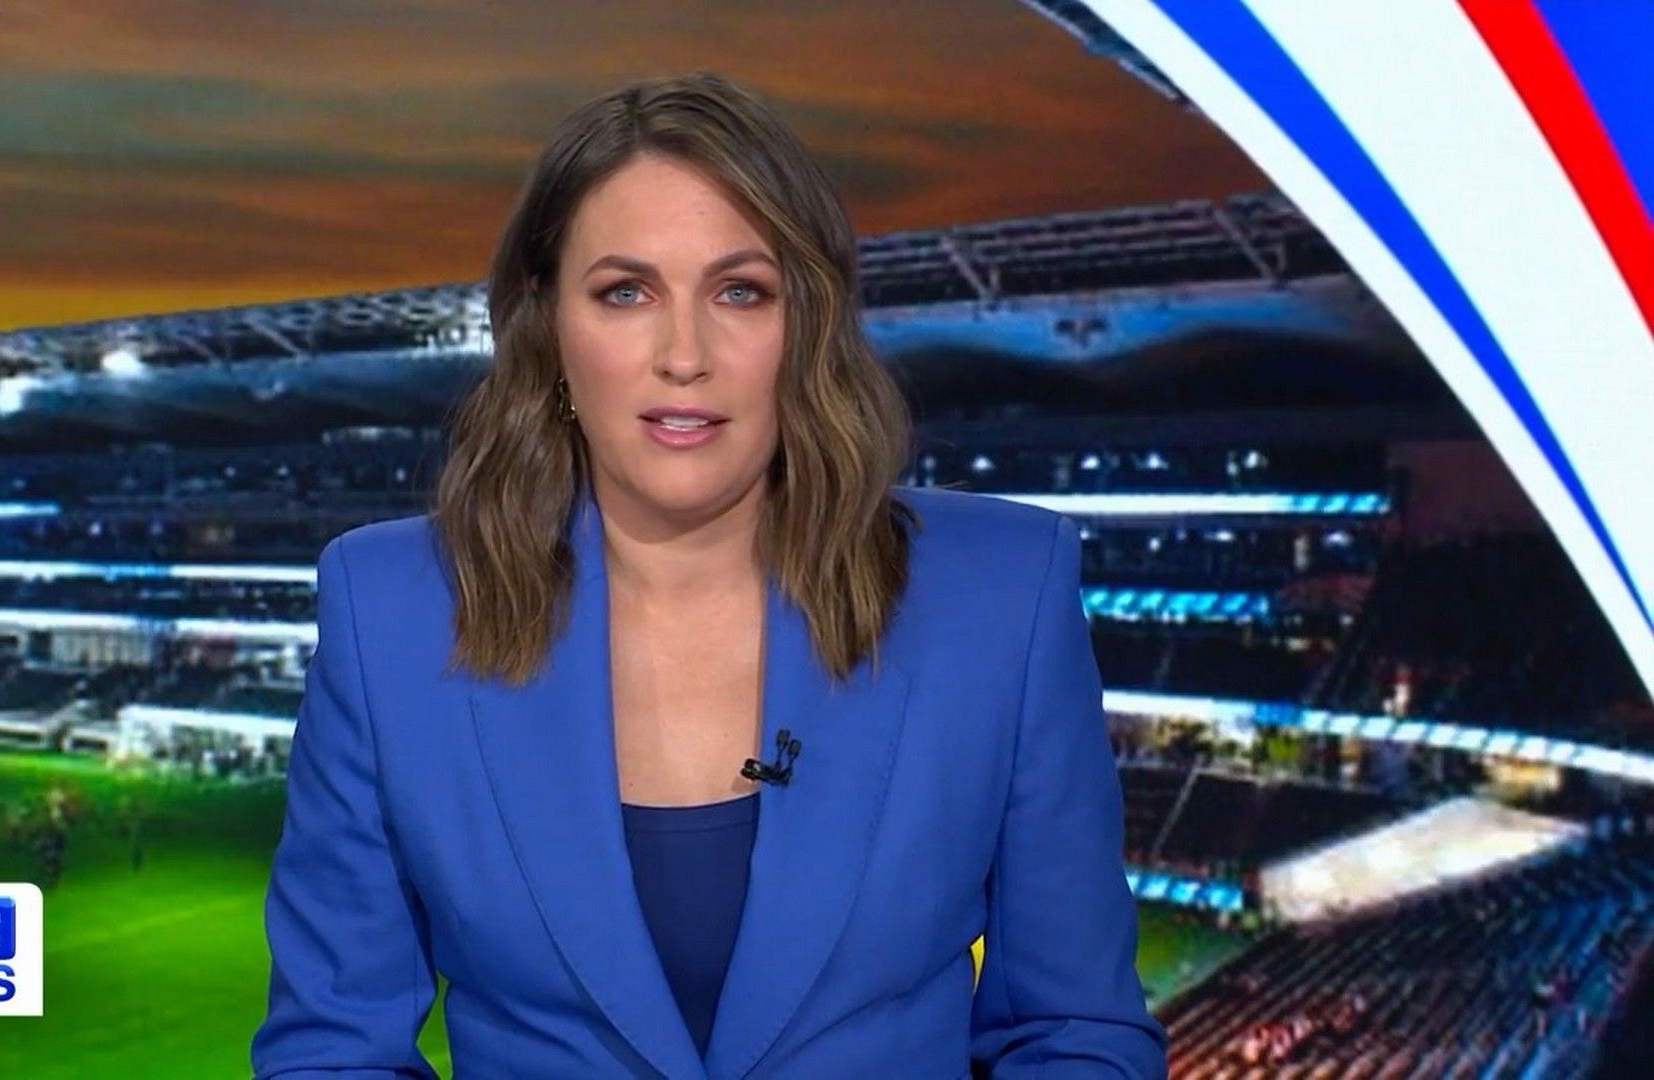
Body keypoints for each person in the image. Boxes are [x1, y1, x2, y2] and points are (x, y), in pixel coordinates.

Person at [251, 70, 1167, 1079]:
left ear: (807, 322)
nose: (683, 354)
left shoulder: (1003, 596)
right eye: (625, 292)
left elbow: (1074, 1033)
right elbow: (334, 1049)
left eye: (741, 291)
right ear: (547, 325)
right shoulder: (389, 610)